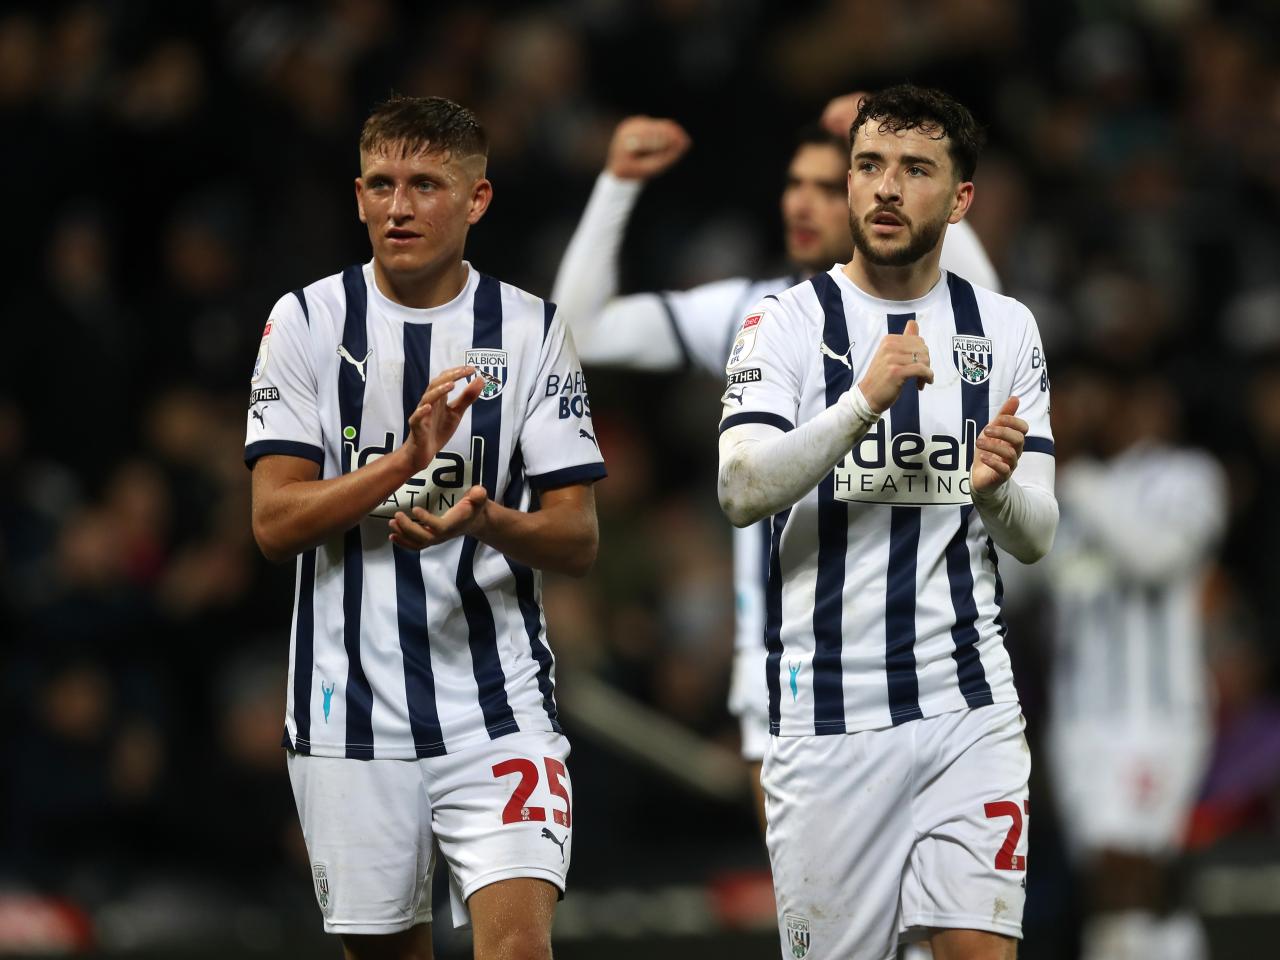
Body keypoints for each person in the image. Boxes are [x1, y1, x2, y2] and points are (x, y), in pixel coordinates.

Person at [551, 101, 1000, 827]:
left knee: (941, 934)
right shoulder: (751, 312)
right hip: (785, 675)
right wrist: (617, 185)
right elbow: (581, 328)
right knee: (827, 936)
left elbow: (995, 309)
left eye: (828, 185)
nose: (802, 201)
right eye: (796, 183)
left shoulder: (937, 314)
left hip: (928, 660)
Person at [246, 95, 605, 960]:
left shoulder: (529, 329)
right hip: (349, 714)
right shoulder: (305, 322)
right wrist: (401, 467)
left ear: (476, 200)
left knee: (518, 951)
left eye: (425, 184)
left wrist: (491, 520)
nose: (398, 206)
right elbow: (272, 522)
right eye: (380, 184)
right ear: (358, 195)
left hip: (496, 703)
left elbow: (577, 538)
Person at [716, 84, 1057, 960]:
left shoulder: (1005, 329)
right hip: (829, 717)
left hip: (968, 708)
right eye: (868, 166)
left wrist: (992, 491)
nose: (886, 189)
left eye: (915, 169)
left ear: (959, 198)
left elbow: (1037, 535)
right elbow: (741, 487)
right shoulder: (783, 322)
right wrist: (861, 403)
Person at [1043, 367, 1225, 960]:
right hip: (1078, 719)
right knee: (1100, 876)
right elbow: (1036, 582)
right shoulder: (1059, 490)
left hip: (1156, 712)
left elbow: (1154, 557)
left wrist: (1081, 483)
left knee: (1138, 867)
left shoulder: (1189, 477)